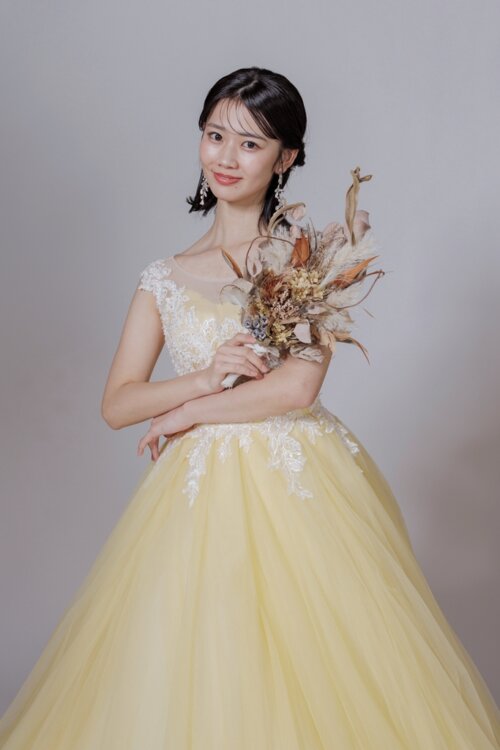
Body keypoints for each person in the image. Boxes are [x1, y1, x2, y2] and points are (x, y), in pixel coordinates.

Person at [0, 66, 498, 750]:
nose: (226, 157)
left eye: (251, 143)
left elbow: (297, 389)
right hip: (196, 496)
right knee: (197, 659)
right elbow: (118, 404)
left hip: (299, 482)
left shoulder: (307, 258)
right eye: (215, 135)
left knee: (319, 664)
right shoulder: (163, 277)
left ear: (286, 158)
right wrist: (203, 381)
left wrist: (187, 415)